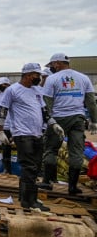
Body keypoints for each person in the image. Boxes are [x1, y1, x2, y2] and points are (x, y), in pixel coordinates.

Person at [0, 63, 56, 211]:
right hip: (22, 133)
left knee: (35, 168)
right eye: (37, 75)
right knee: (29, 166)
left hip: (37, 133)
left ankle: (28, 198)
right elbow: (3, 110)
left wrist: (53, 123)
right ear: (28, 75)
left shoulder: (37, 90)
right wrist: (0, 130)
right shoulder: (12, 90)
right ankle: (28, 201)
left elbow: (44, 110)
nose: (39, 78)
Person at [42, 53, 97, 195]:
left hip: (58, 118)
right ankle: (72, 187)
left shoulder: (52, 79)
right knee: (76, 151)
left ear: (57, 64)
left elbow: (46, 103)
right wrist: (94, 120)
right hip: (78, 119)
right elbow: (91, 101)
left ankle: (47, 182)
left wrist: (50, 121)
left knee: (51, 149)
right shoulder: (84, 78)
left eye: (51, 65)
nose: (51, 68)